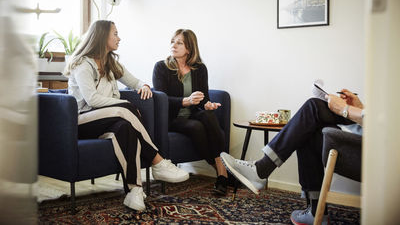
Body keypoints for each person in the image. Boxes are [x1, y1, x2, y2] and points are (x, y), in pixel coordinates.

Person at [64, 20, 189, 211]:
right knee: (126, 109)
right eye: (115, 33)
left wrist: (144, 86)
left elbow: (135, 82)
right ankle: (158, 161)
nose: (119, 38)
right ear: (102, 36)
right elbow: (93, 100)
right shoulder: (82, 63)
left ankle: (134, 191)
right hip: (82, 120)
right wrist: (124, 104)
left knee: (125, 128)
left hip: (109, 119)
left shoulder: (111, 63)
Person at [221, 90, 364, 225]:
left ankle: (261, 169)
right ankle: (315, 211)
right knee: (309, 127)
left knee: (313, 107)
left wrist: (345, 109)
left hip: (365, 152)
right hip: (359, 139)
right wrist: (359, 107)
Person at [152, 29, 229, 195]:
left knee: (208, 115)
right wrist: (185, 101)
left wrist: (208, 105)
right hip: (171, 118)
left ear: (189, 48)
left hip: (193, 113)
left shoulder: (199, 69)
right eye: (173, 41)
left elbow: (203, 99)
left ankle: (222, 173)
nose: (174, 45)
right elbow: (161, 99)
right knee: (196, 127)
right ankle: (223, 170)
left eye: (179, 42)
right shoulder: (161, 67)